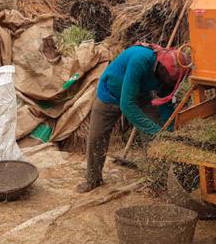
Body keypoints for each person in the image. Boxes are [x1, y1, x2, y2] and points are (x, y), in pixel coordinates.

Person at [76, 43, 190, 193]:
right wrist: (156, 131)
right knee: (97, 137)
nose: (167, 83)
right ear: (160, 68)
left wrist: (168, 132)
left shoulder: (169, 76)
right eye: (167, 80)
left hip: (141, 96)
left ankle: (157, 178)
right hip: (110, 94)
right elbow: (127, 105)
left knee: (155, 138)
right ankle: (93, 179)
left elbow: (165, 104)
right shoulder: (140, 60)